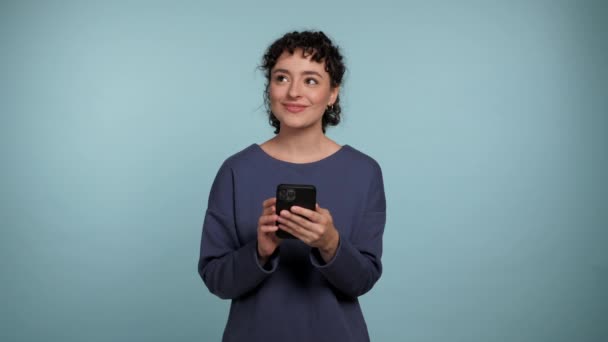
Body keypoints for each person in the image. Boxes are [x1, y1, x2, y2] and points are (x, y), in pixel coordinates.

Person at [197, 30, 386, 342]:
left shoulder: (364, 172)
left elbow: (362, 281)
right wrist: (260, 250)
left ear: (333, 93)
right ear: (269, 87)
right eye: (282, 78)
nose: (293, 92)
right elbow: (217, 280)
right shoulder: (236, 171)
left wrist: (329, 243)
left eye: (311, 80)